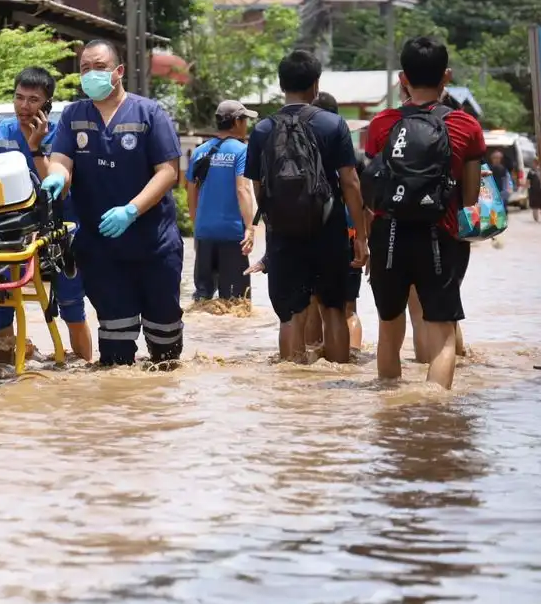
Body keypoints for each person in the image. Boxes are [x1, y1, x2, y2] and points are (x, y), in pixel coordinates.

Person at [41, 39, 185, 367]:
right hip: (101, 248)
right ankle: (117, 416)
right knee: (115, 352)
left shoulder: (150, 113)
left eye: (99, 67)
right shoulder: (75, 116)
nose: (91, 74)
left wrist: (131, 210)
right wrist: (55, 178)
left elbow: (168, 172)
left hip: (154, 246)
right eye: (85, 69)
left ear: (118, 72)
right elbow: (62, 160)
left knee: (165, 348)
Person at [364, 36, 485, 389]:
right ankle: (433, 416)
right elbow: (470, 197)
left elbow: (374, 187)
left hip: (388, 236)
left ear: (403, 78)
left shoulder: (381, 124)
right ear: (446, 76)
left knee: (389, 329)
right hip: (440, 236)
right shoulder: (466, 126)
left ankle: (391, 414)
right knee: (443, 335)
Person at [244, 51, 368, 364]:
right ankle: (339, 383)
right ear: (315, 85)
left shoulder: (261, 130)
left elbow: (257, 185)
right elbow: (351, 183)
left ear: (281, 84)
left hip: (283, 233)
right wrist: (361, 237)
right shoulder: (333, 125)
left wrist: (276, 218)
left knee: (291, 317)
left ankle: (291, 391)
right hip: (328, 229)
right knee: (333, 311)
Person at [0, 67, 94, 363]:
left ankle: (85, 368)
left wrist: (35, 147)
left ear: (47, 105)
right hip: (9, 232)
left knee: (72, 305)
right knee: (1, 303)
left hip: (59, 230)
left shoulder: (62, 135)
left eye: (33, 100)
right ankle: (2, 372)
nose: (24, 106)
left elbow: (58, 188)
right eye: (19, 98)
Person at [300, 91, 364, 352]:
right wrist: (364, 238)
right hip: (345, 235)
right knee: (345, 308)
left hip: (309, 232)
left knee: (314, 303)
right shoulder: (355, 157)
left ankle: (312, 358)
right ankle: (352, 355)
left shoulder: (301, 149)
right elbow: (362, 199)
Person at [186, 99, 256, 302]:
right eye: (245, 120)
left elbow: (191, 190)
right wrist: (250, 227)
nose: (246, 125)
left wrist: (195, 223)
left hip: (204, 233)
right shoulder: (241, 151)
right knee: (236, 302)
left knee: (203, 299)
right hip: (232, 233)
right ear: (236, 122)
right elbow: (242, 189)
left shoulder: (200, 151)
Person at [529, 155, 541, 222]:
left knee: (538, 205)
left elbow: (527, 182)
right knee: (540, 205)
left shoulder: (533, 171)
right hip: (538, 190)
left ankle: (537, 218)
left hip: (537, 190)